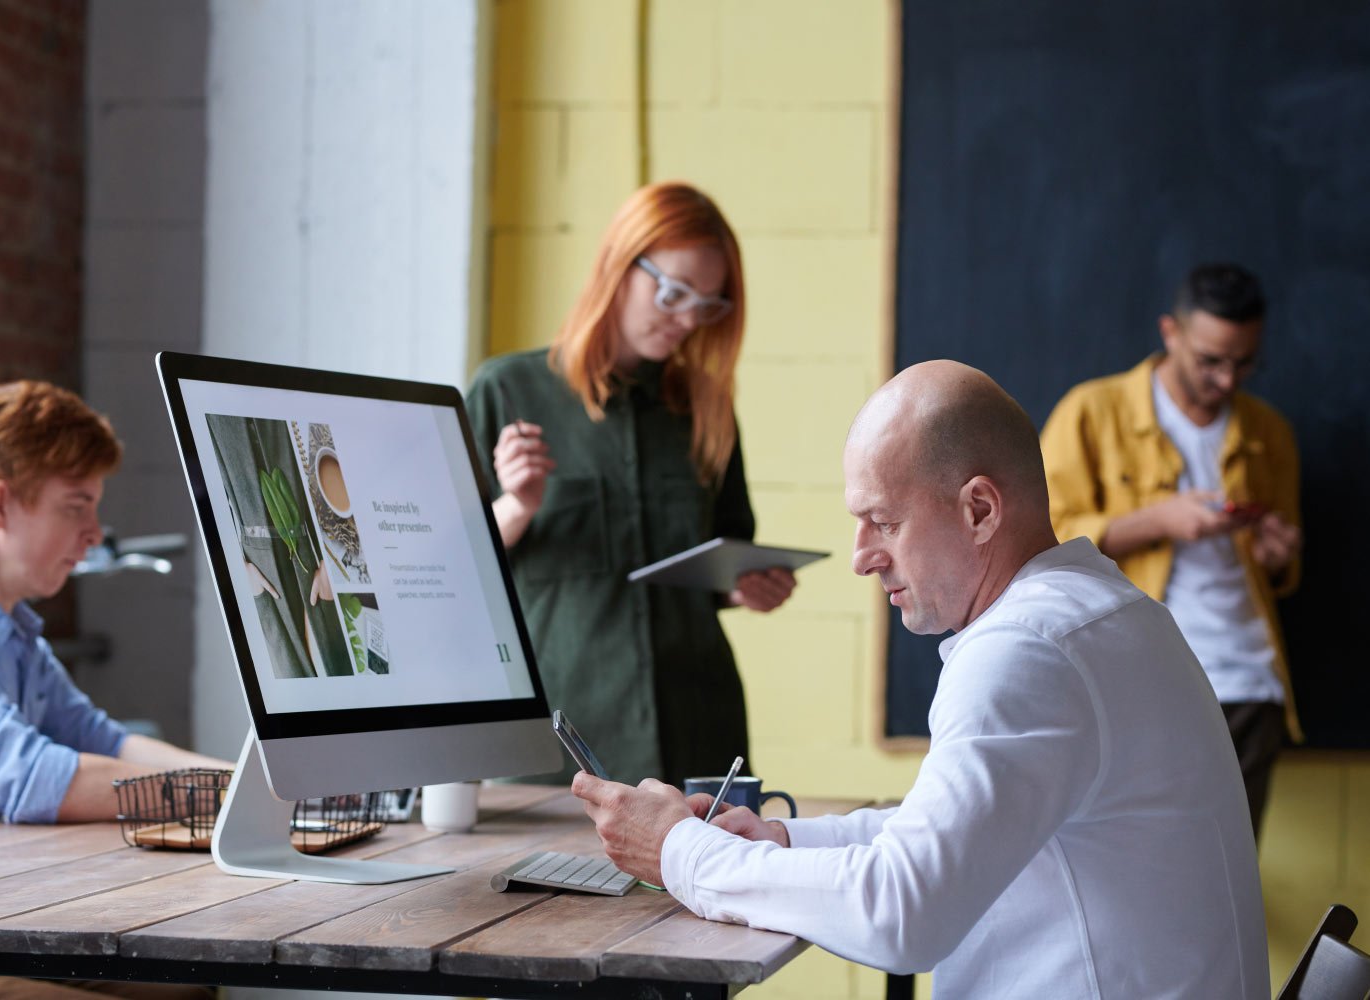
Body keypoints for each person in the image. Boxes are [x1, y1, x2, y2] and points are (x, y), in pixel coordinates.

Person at [573, 361, 1267, 998]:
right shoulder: (1110, 612)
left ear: (980, 510)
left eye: (883, 522)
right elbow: (951, 834)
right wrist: (782, 840)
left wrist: (677, 851)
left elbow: (901, 913)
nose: (861, 558)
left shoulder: (1025, 648)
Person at [0, 381, 226, 998]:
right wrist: (209, 796)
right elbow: (28, 777)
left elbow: (103, 740)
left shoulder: (12, 630)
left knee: (187, 990)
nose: (94, 532)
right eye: (75, 506)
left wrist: (246, 786)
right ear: (0, 505)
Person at [466, 181, 795, 786]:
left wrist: (745, 587)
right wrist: (517, 506)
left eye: (707, 304)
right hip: (559, 743)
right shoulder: (507, 391)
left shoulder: (705, 408)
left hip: (697, 732)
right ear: (619, 266)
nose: (687, 319)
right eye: (673, 293)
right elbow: (448, 571)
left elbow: (722, 558)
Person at [1039, 263, 1302, 839]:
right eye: (1211, 360)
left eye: (1244, 363)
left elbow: (1280, 567)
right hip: (1136, 680)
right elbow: (1041, 540)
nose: (1227, 379)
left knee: (1230, 863)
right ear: (1171, 332)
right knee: (1138, 859)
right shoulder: (1091, 412)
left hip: (1248, 683)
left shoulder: (1268, 431)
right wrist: (1157, 520)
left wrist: (1277, 554)